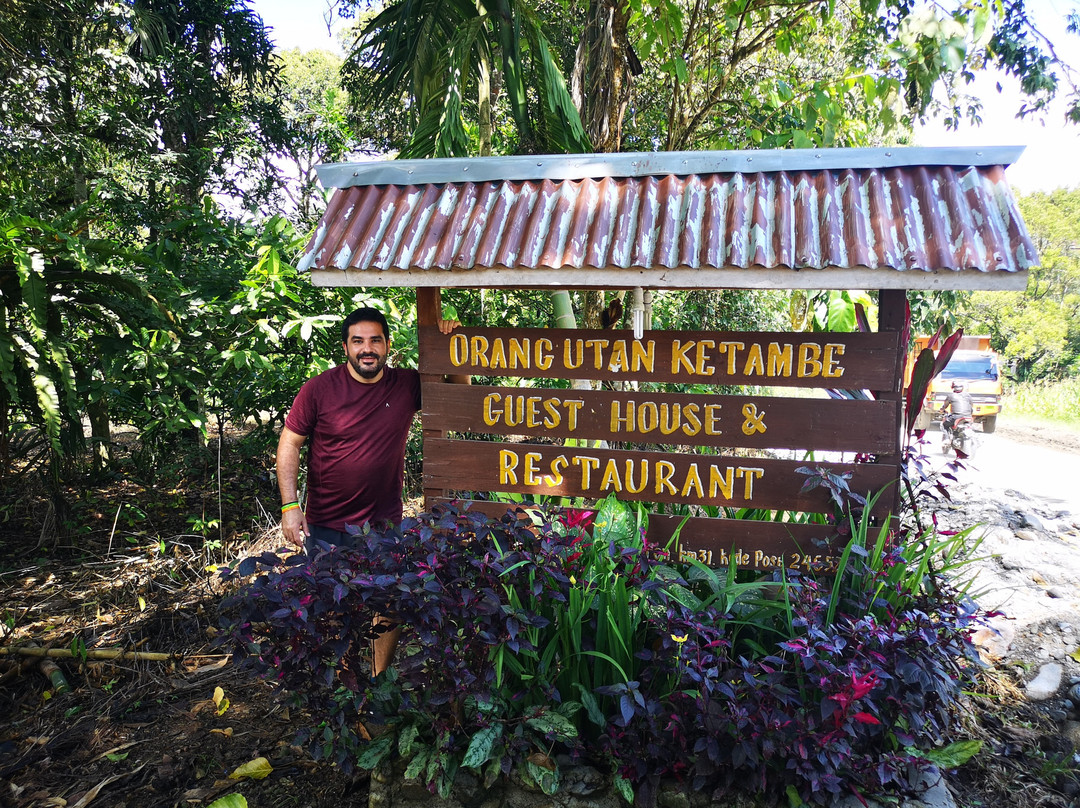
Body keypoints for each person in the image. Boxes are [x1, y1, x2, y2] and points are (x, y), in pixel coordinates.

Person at [275, 305, 464, 674]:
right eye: (358, 340)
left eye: (375, 340)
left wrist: (450, 347)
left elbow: (460, 397)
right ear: (345, 347)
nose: (367, 348)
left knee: (388, 602)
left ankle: (378, 679)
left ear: (388, 345)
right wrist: (289, 506)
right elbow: (289, 444)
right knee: (333, 606)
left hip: (383, 523)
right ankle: (346, 682)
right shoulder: (319, 389)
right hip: (328, 523)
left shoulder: (407, 385)